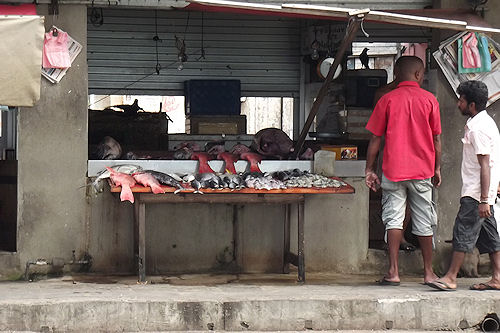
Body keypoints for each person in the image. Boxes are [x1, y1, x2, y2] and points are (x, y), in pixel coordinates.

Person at [365, 56, 442, 285]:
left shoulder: (387, 99)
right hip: (422, 170)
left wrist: (370, 168)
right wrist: (437, 167)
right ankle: (428, 272)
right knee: (424, 220)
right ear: (419, 74)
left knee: (393, 220)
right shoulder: (430, 100)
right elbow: (437, 139)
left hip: (393, 169)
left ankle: (393, 272)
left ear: (396, 73)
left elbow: (375, 139)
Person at [427, 80, 500, 291]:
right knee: (490, 236)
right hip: (483, 192)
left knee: (463, 231)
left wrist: (484, 199)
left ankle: (451, 277)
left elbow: (485, 164)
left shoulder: (478, 129)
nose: (458, 104)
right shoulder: (486, 123)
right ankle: (497, 277)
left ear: (472, 105)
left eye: (461, 100)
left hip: (477, 194)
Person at [373, 61, 416, 252]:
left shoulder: (421, 96)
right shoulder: (384, 95)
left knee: (406, 200)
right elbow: (377, 132)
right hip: (390, 151)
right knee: (392, 200)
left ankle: (401, 238)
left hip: (413, 154)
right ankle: (390, 240)